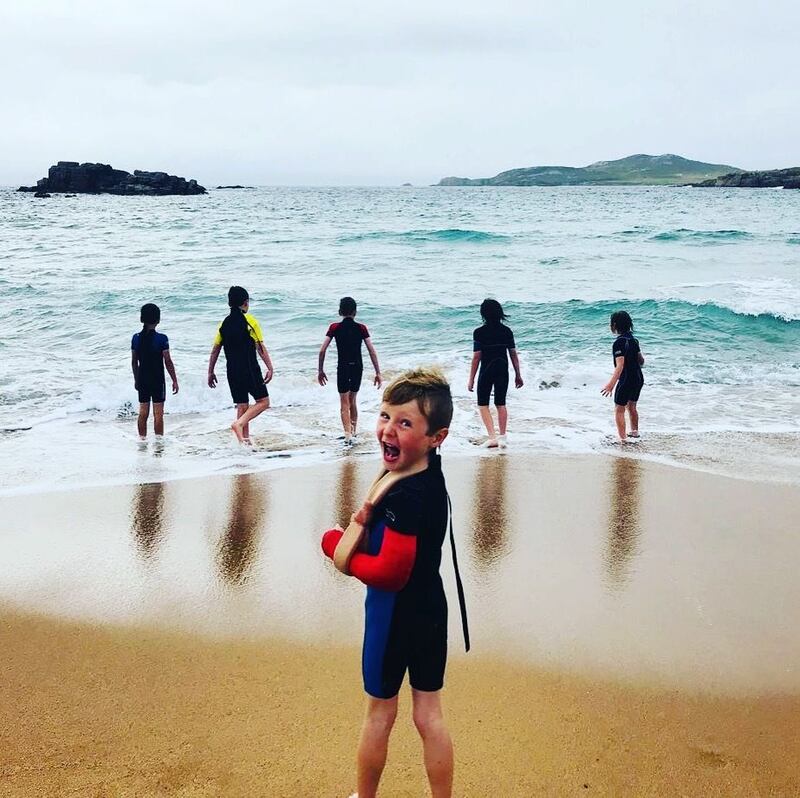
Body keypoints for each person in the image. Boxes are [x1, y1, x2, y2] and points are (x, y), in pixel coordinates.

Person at [321, 369, 466, 798]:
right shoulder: (430, 474)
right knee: (429, 714)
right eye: (385, 416)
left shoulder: (405, 495)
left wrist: (336, 549)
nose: (388, 429)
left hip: (393, 616)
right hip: (432, 610)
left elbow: (390, 572)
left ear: (436, 437)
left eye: (405, 423)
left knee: (380, 713)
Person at [207, 286, 274, 444]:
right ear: (245, 302)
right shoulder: (250, 321)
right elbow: (260, 347)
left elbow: (215, 350)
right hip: (249, 369)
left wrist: (210, 371)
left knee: (242, 406)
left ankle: (244, 443)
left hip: (232, 371)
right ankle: (239, 424)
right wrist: (270, 367)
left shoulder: (223, 324)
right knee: (264, 402)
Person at [318, 296, 382, 444]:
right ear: (355, 312)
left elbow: (322, 350)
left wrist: (320, 370)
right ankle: (353, 433)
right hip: (357, 367)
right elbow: (371, 351)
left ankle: (347, 436)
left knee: (344, 403)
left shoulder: (334, 327)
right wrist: (378, 372)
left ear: (340, 311)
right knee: (353, 400)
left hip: (343, 367)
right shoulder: (361, 328)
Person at [467, 298, 523, 448]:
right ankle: (502, 437)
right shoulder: (506, 331)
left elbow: (477, 357)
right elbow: (513, 354)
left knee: (483, 404)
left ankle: (492, 437)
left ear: (483, 314)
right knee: (501, 403)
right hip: (502, 369)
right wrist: (518, 374)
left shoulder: (479, 332)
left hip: (487, 370)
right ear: (500, 313)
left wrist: (471, 379)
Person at [131, 303, 178, 438]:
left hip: (143, 379)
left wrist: (136, 379)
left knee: (143, 412)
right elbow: (168, 361)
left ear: (142, 319)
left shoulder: (136, 338)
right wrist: (174, 380)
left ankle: (142, 441)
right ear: (158, 319)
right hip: (157, 380)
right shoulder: (162, 339)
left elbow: (134, 362)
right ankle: (158, 443)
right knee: (158, 414)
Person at [601, 310, 645, 441]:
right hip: (638, 377)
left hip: (626, 379)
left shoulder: (619, 342)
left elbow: (620, 366)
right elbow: (641, 361)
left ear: (614, 325)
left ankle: (623, 439)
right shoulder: (634, 340)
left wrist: (611, 385)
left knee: (619, 409)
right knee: (632, 406)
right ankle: (635, 433)